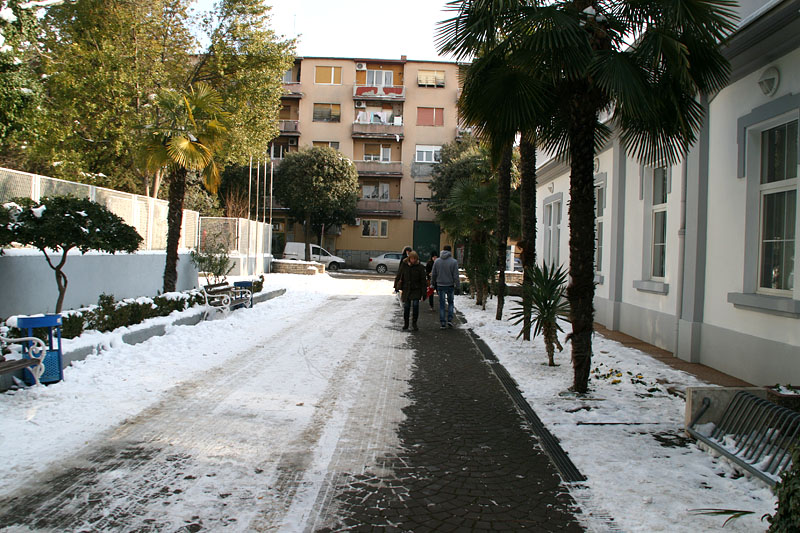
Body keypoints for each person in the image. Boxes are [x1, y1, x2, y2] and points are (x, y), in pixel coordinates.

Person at [396, 250, 427, 331]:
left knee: (416, 305)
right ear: (409, 258)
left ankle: (414, 323)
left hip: (416, 289)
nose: (413, 260)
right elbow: (399, 274)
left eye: (414, 259)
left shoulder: (420, 267)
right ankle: (406, 324)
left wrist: (424, 293)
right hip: (406, 289)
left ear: (416, 259)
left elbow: (423, 280)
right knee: (406, 307)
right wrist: (396, 286)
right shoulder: (405, 265)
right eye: (412, 259)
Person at [431, 244, 459, 329]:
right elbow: (456, 276)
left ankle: (443, 322)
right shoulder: (454, 262)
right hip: (450, 285)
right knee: (450, 303)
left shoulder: (437, 261)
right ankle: (449, 319)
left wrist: (433, 283)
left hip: (440, 285)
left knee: (442, 304)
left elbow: (434, 274)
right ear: (450, 251)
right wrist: (458, 286)